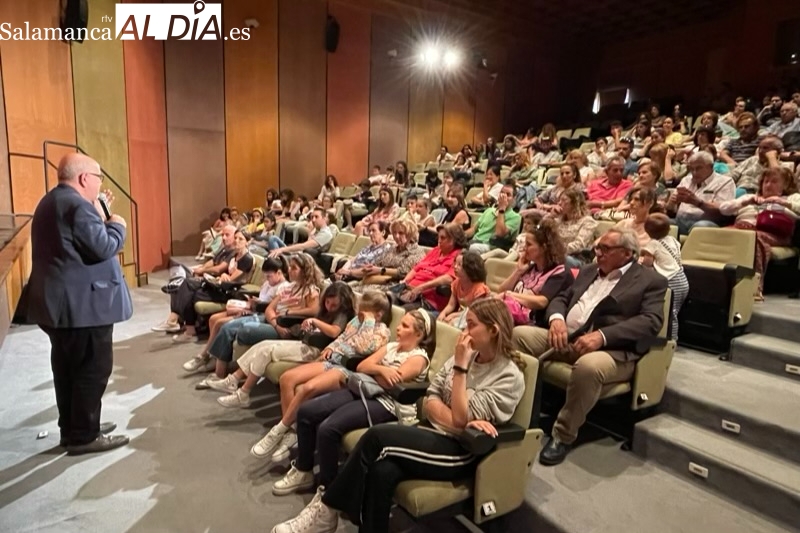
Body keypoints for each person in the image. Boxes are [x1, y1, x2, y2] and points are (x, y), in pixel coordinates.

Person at [270, 298, 525, 533]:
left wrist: (460, 371)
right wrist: (454, 415)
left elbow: (459, 422)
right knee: (382, 472)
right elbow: (432, 398)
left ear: (493, 330)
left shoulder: (507, 375)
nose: (464, 333)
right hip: (434, 431)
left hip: (463, 451)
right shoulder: (466, 356)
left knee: (377, 437)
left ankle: (327, 509)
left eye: (471, 325)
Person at [512, 229, 666, 466]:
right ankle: (520, 411)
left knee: (588, 367)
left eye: (605, 249)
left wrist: (602, 336)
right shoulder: (588, 270)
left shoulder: (650, 280)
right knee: (518, 335)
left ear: (627, 253)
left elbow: (651, 321)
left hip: (611, 351)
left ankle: (563, 435)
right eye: (597, 248)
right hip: (567, 338)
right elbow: (561, 298)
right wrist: (557, 320)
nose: (598, 253)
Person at [27, 153, 132, 455]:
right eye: (99, 179)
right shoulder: (76, 207)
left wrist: (99, 210)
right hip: (82, 307)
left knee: (67, 369)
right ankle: (85, 435)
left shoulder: (52, 201)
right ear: (85, 178)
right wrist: (117, 224)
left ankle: (73, 429)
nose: (100, 185)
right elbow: (103, 247)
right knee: (92, 368)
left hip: (61, 306)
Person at [270, 309, 435, 497]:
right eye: (400, 323)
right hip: (364, 389)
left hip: (388, 403)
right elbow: (362, 366)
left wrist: (375, 371)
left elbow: (390, 384)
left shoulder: (418, 358)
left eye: (405, 326)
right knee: (307, 411)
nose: (398, 328)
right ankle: (303, 469)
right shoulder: (391, 347)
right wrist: (382, 370)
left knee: (328, 428)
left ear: (419, 334)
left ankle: (328, 490)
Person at [251, 292, 393, 462]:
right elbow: (343, 338)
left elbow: (363, 348)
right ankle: (292, 432)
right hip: (332, 360)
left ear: (378, 314)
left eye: (366, 311)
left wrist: (369, 321)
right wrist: (330, 348)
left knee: (307, 388)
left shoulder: (382, 331)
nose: (361, 314)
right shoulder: (356, 321)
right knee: (287, 378)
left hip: (348, 369)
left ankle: (280, 429)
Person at [212, 282, 357, 407]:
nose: (330, 307)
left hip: (317, 350)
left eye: (334, 305)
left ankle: (243, 394)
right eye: (327, 302)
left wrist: (315, 321)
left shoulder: (342, 314)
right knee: (263, 345)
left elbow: (333, 332)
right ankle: (233, 380)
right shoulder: (326, 311)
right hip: (307, 342)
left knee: (267, 351)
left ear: (343, 303)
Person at [182, 257, 290, 374]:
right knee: (214, 319)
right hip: (250, 308)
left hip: (257, 313)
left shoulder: (283, 287)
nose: (266, 279)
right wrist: (254, 301)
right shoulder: (268, 283)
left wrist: (255, 305)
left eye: (269, 276)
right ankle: (212, 357)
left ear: (279, 273)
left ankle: (204, 356)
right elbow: (262, 298)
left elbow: (272, 308)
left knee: (220, 323)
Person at [719, 167, 800, 300]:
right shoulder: (751, 197)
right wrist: (744, 202)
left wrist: (782, 205)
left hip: (775, 233)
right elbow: (724, 209)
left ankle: (755, 288)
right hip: (741, 228)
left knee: (753, 238)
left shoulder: (792, 197)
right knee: (710, 234)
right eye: (766, 181)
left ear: (786, 184)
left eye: (774, 181)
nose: (768, 185)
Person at [496, 218, 573, 327]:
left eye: (529, 244)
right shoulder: (530, 267)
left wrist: (510, 295)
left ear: (543, 248)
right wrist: (518, 271)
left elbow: (542, 302)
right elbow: (501, 290)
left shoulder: (559, 272)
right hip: (511, 315)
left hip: (533, 321)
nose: (524, 248)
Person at [641, 214, 689, 340]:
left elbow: (647, 263)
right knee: (674, 312)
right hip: (682, 279)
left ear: (647, 231)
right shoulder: (672, 240)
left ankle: (671, 339)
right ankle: (672, 337)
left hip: (671, 281)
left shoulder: (653, 244)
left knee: (669, 312)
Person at [667, 151, 736, 235]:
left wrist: (698, 202)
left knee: (700, 226)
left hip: (707, 223)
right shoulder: (686, 180)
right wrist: (671, 203)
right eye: (691, 169)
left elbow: (724, 210)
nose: (694, 173)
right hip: (680, 221)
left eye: (698, 168)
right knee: (660, 222)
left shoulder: (725, 182)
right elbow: (670, 210)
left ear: (711, 167)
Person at [437, 250, 490, 326]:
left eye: (459, 265)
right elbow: (451, 305)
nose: (455, 267)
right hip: (459, 315)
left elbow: (474, 312)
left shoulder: (479, 289)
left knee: (450, 325)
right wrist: (443, 313)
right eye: (455, 263)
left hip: (473, 318)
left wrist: (453, 315)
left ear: (470, 268)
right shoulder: (456, 283)